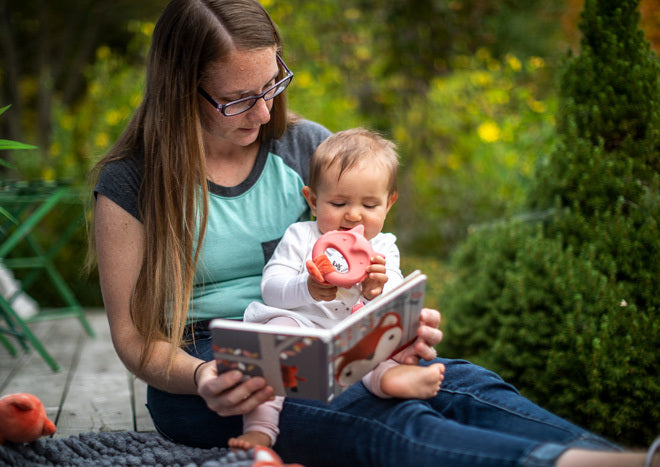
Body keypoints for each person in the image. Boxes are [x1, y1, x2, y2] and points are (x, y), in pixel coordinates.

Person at [88, 0, 660, 465]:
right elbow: (135, 340)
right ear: (180, 89)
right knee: (378, 418)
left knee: (462, 384)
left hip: (327, 337)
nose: (264, 113)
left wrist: (392, 322)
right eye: (238, 99)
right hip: (213, 370)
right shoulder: (131, 182)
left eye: (273, 84)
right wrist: (203, 376)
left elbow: (364, 258)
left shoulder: (305, 146)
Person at [229, 128, 446, 450]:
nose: (354, 214)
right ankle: (261, 429)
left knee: (383, 337)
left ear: (389, 204)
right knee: (274, 339)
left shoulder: (383, 247)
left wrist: (377, 289)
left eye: (370, 205)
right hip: (302, 328)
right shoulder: (300, 236)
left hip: (353, 332)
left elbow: (397, 299)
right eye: (339, 202)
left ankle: (389, 380)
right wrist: (308, 287)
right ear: (313, 200)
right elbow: (271, 289)